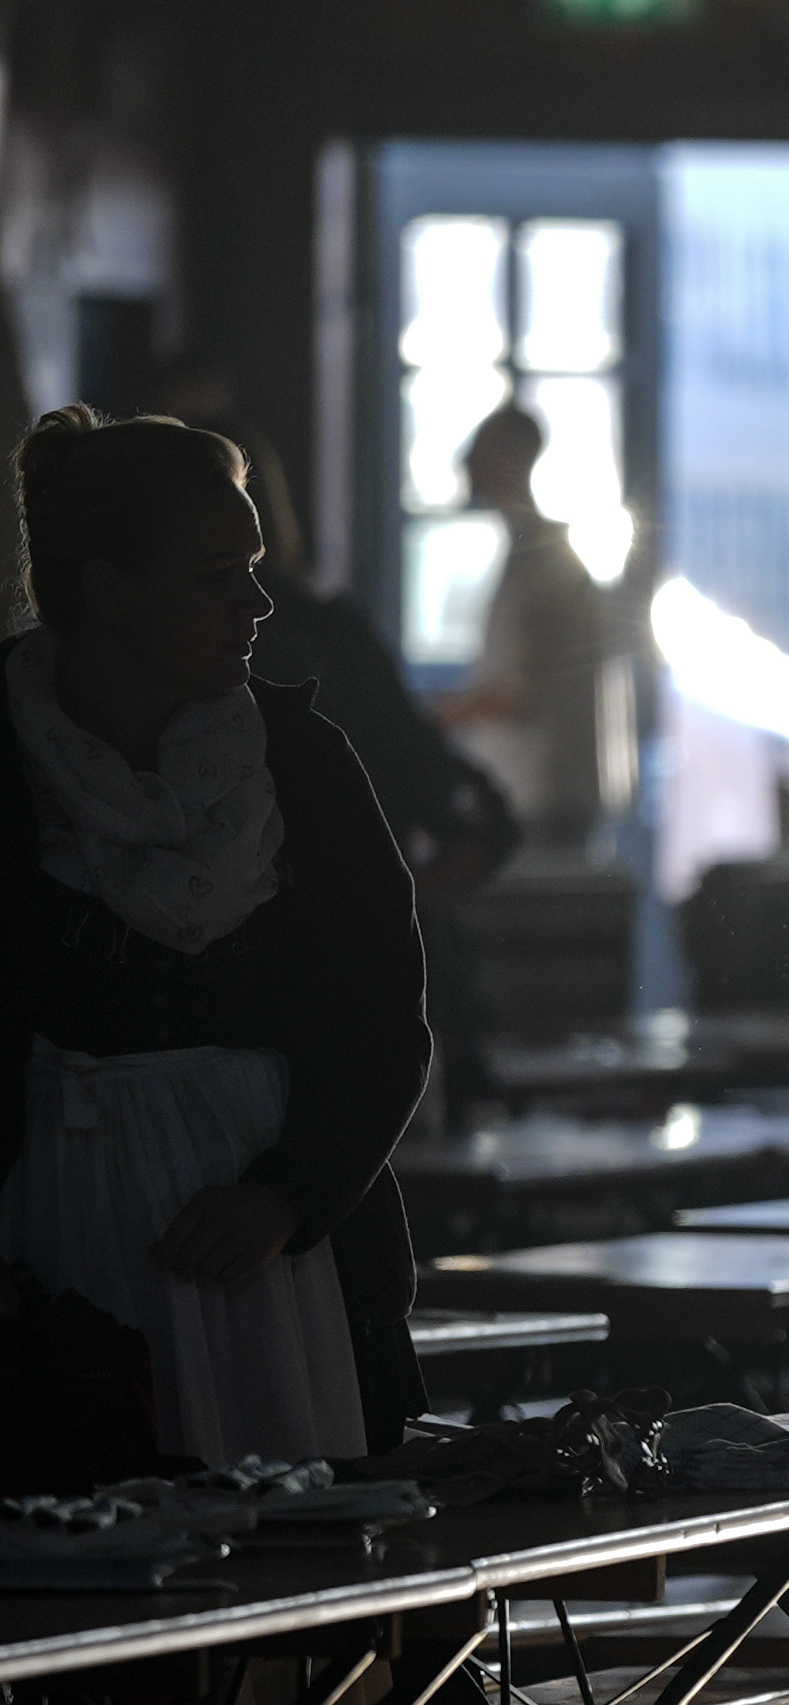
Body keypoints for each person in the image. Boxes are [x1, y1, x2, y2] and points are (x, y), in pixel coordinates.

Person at [0, 406, 430, 1462]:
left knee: (289, 1532)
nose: (257, 601)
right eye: (215, 576)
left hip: (266, 1233)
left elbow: (384, 1013)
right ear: (108, 587)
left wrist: (288, 1194)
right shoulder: (6, 760)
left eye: (253, 565)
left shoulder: (299, 761)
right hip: (49, 1222)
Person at [147, 362, 518, 1123]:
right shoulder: (330, 639)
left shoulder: (140, 667)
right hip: (371, 1013)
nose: (246, 613)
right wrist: (384, 907)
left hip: (210, 1034)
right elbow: (475, 814)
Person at [440, 403, 612, 853]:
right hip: (541, 793)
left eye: (479, 449)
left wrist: (434, 719)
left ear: (506, 458)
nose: (465, 462)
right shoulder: (540, 556)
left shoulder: (538, 562)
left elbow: (518, 693)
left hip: (539, 797)